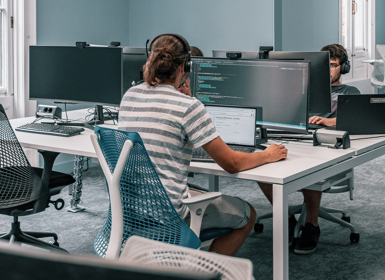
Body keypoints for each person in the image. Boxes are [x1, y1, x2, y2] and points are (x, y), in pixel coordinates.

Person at [118, 34, 288, 256]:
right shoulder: (189, 106)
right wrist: (267, 155)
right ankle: (206, 271)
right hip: (169, 214)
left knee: (198, 192)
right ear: (184, 66)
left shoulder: (130, 95)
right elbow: (232, 163)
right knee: (248, 214)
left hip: (132, 210)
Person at [258, 43, 360, 255]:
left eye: (333, 65)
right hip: (298, 143)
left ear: (344, 67)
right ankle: (286, 218)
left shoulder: (350, 92)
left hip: (330, 153)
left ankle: (312, 225)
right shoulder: (303, 90)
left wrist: (329, 122)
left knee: (313, 169)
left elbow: (359, 121)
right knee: (260, 165)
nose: (328, 70)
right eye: (325, 66)